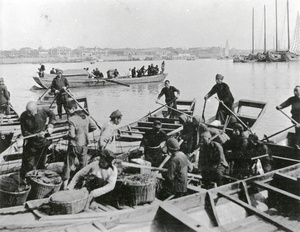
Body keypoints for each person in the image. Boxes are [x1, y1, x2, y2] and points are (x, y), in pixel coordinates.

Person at [62, 100, 97, 189]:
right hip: (84, 144)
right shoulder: (85, 116)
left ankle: (65, 185)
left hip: (74, 145)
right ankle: (82, 184)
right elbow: (94, 127)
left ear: (73, 109)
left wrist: (66, 136)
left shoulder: (71, 119)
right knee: (83, 165)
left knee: (68, 165)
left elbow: (72, 135)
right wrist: (84, 132)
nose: (66, 112)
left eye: (67, 110)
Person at [20, 101, 55, 179]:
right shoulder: (23, 116)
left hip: (42, 142)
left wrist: (50, 125)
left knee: (41, 163)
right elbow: (24, 132)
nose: (28, 114)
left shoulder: (43, 110)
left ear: (35, 111)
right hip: (31, 142)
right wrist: (36, 136)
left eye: (30, 112)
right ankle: (25, 179)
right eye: (27, 112)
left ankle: (40, 179)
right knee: (28, 164)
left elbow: (52, 115)